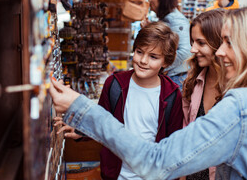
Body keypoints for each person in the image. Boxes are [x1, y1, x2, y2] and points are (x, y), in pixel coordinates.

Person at [50, 4, 247, 179]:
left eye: (228, 42)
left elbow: (156, 162)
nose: (221, 51)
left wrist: (80, 107)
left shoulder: (243, 107)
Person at [55, 21, 184, 180]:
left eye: (153, 57)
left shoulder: (172, 94)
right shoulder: (115, 84)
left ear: (166, 61)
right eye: (139, 52)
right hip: (116, 174)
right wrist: (81, 129)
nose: (143, 60)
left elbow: (173, 146)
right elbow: (101, 120)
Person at [182, 9, 225, 180]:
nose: (193, 49)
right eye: (193, 42)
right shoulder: (193, 82)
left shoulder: (237, 89)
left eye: (201, 43)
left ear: (219, 42)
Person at [141, 0, 191, 90]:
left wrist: (163, 64)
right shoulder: (167, 18)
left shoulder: (176, 20)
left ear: (162, 0)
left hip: (176, 78)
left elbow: (186, 52)